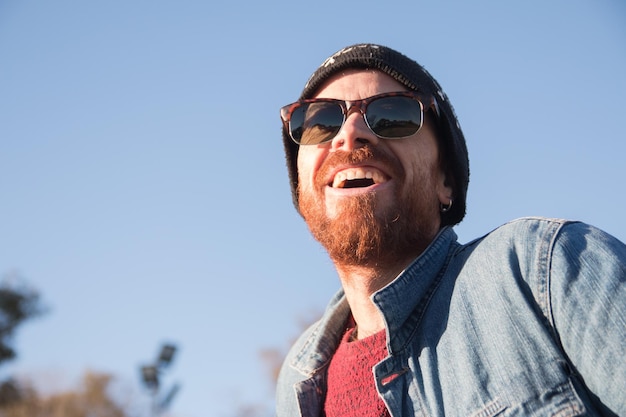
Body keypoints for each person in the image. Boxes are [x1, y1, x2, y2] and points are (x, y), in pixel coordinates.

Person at [276, 43, 626, 417]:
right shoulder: (298, 381)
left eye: (393, 114)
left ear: (446, 181)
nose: (350, 133)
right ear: (300, 187)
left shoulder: (543, 268)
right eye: (319, 122)